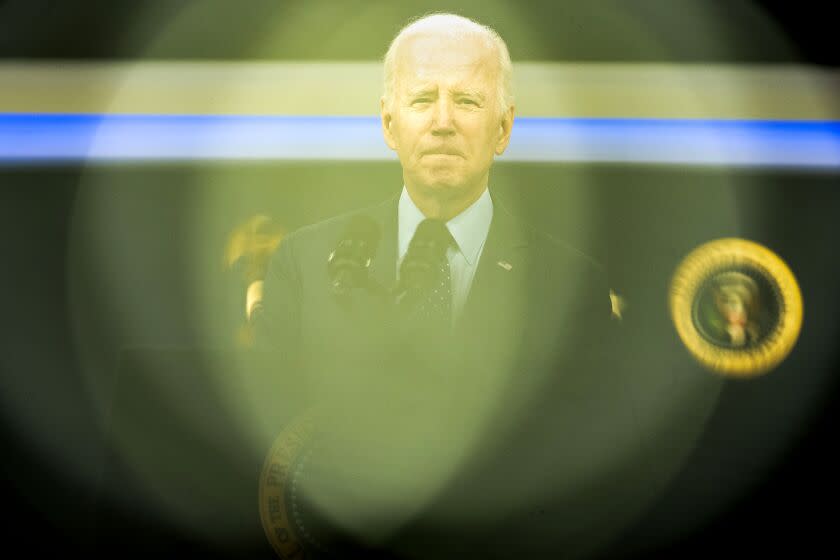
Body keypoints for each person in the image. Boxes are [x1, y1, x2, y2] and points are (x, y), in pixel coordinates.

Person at [256, 13, 630, 559]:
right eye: (422, 99)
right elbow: (267, 450)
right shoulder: (306, 262)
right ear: (389, 124)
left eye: (469, 102)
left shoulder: (571, 285)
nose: (443, 122)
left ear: (503, 129)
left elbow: (587, 479)